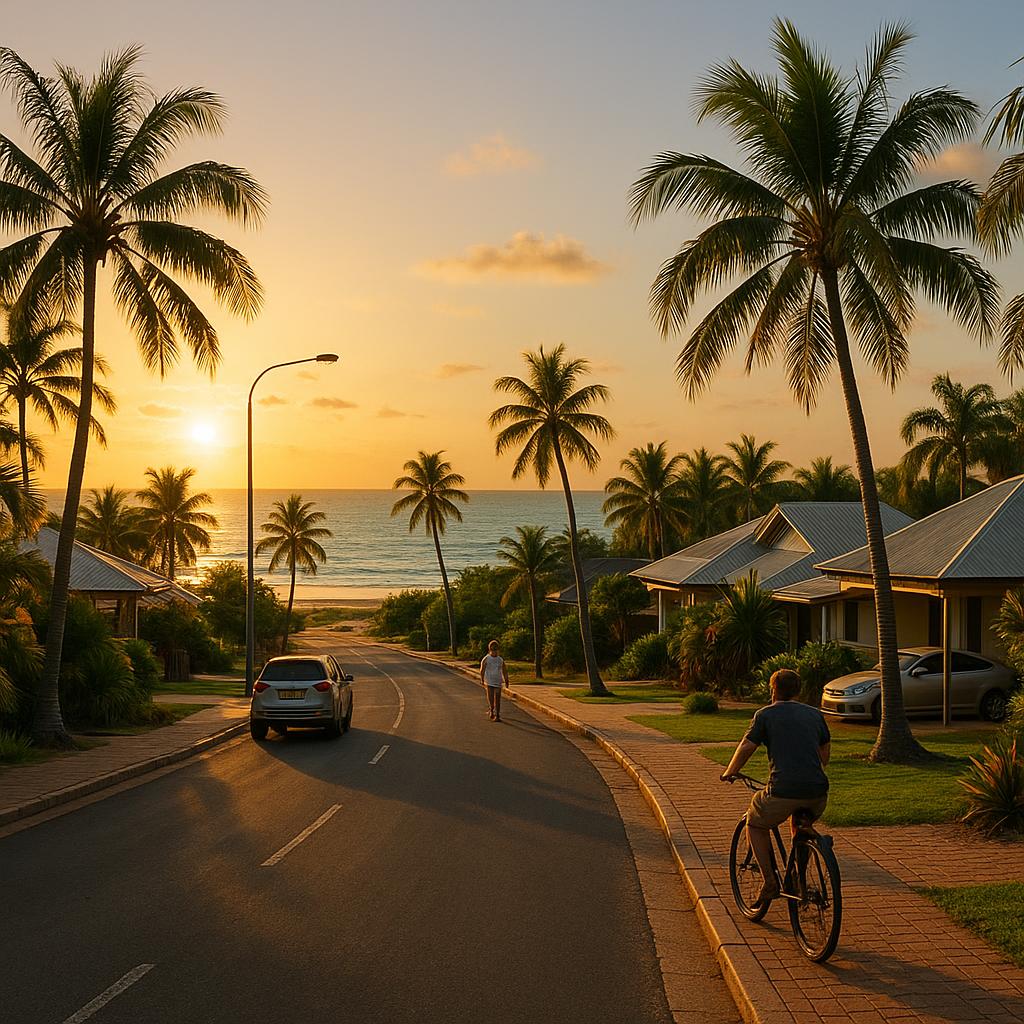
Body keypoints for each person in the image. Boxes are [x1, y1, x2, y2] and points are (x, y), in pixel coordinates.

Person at [721, 668, 831, 908]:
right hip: (818, 793)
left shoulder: (765, 715)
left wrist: (730, 771)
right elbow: (824, 755)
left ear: (773, 689)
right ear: (797, 690)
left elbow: (747, 746)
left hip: (783, 791)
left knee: (755, 822)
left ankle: (770, 881)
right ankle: (799, 877)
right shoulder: (814, 715)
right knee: (800, 824)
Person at [479, 639, 510, 721]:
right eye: (493, 650)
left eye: (496, 650)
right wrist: (482, 679)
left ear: (498, 650)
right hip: (489, 681)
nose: (494, 652)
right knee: (491, 698)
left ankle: (498, 715)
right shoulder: (486, 659)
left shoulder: (500, 660)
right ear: (490, 650)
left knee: (498, 698)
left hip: (498, 681)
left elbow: (504, 671)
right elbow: (482, 669)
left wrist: (506, 681)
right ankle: (492, 710)